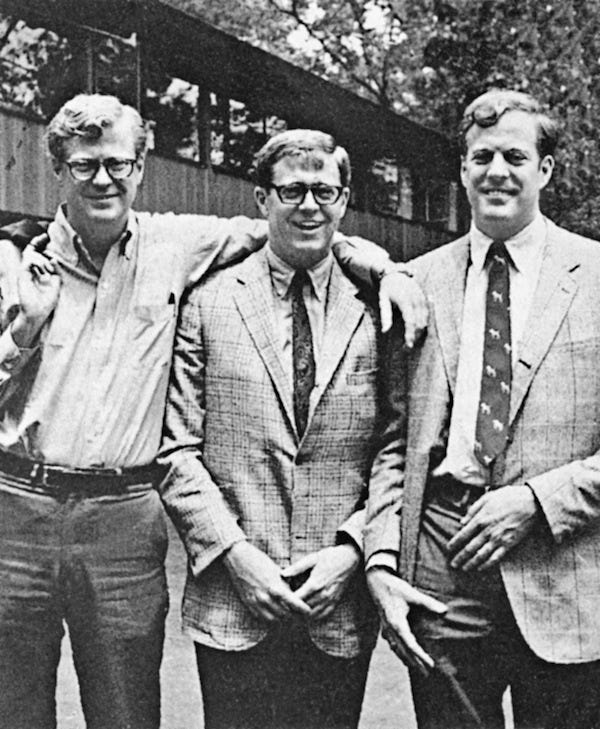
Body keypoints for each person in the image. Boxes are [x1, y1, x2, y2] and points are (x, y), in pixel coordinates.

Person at [0, 93, 424, 729]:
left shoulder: (178, 246)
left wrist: (384, 268)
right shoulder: (10, 261)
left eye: (118, 163)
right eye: (85, 165)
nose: (103, 179)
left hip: (122, 516)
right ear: (58, 169)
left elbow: (296, 226)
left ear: (141, 168)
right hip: (17, 509)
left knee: (125, 712)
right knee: (13, 708)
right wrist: (23, 330)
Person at [365, 88, 600, 729]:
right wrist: (383, 559)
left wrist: (536, 502)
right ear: (463, 169)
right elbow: (392, 442)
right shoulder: (414, 284)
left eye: (515, 157)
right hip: (443, 571)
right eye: (482, 156)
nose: (498, 171)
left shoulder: (595, 276)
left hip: (566, 568)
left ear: (545, 169)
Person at [159, 129, 404, 729]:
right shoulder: (206, 301)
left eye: (325, 191)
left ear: (344, 201)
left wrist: (353, 550)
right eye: (292, 190)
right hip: (234, 597)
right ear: (262, 198)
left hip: (337, 601)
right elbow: (176, 448)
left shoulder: (381, 306)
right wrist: (235, 555)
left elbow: (397, 446)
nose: (308, 205)